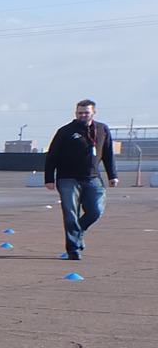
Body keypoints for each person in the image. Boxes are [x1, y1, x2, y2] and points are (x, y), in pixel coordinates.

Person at [44, 99, 119, 261]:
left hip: (93, 178)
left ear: (94, 113)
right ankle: (73, 249)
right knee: (71, 214)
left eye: (86, 112)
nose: (83, 115)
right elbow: (52, 156)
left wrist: (112, 175)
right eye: (80, 113)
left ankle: (78, 233)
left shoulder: (102, 129)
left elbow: (108, 153)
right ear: (76, 113)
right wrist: (49, 178)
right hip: (68, 179)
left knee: (95, 211)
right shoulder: (66, 131)